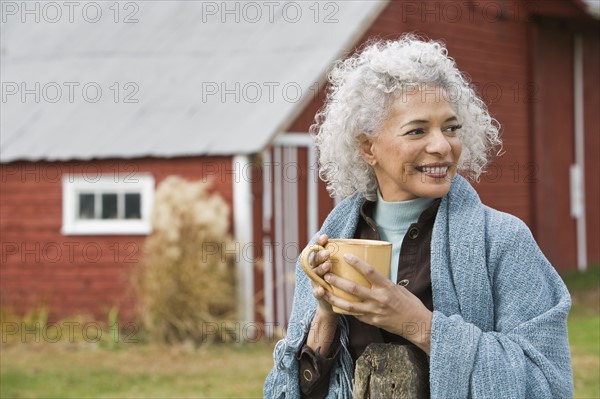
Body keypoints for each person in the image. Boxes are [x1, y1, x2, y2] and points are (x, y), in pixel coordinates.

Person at [264, 34, 573, 399]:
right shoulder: (330, 245)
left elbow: (548, 387)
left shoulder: (503, 241)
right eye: (417, 130)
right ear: (368, 147)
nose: (442, 145)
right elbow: (290, 392)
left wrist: (419, 325)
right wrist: (326, 317)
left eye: (451, 128)